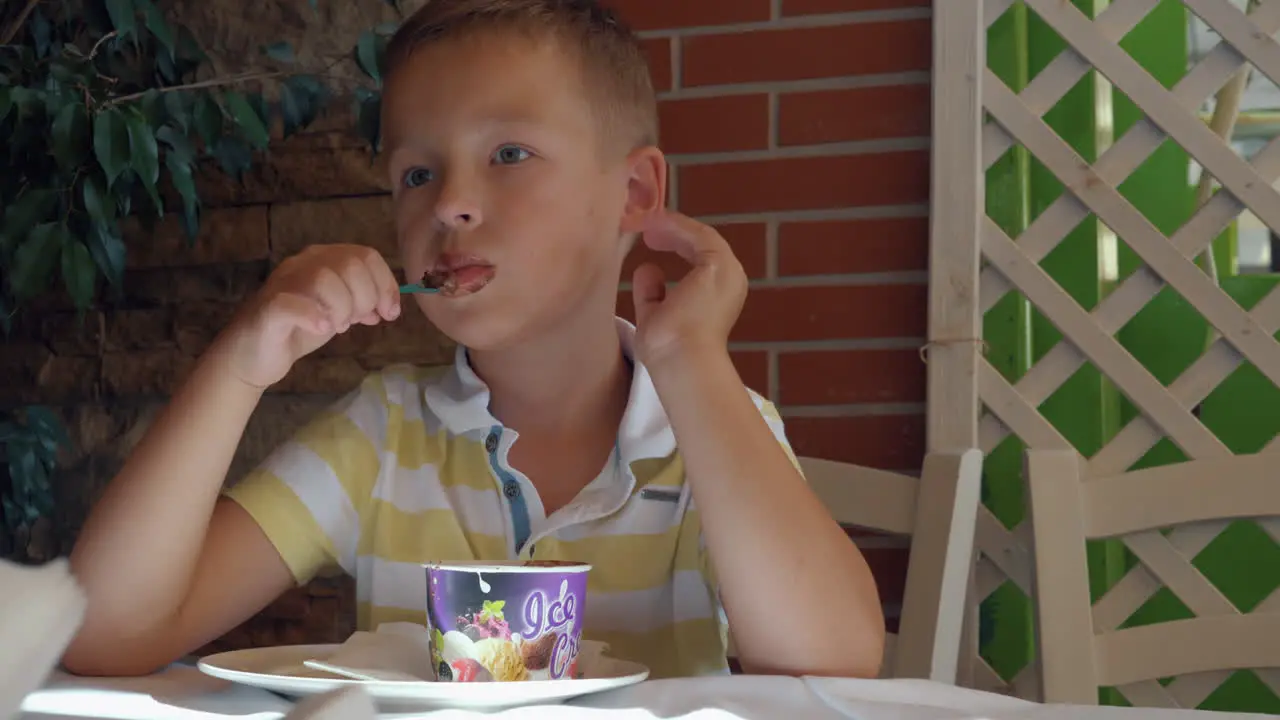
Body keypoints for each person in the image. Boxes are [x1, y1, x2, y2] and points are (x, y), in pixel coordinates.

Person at [63, 0, 885, 680]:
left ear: (633, 192)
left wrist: (691, 362)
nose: (450, 202)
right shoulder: (378, 439)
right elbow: (103, 637)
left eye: (509, 153)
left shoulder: (712, 429)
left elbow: (836, 658)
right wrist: (237, 366)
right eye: (417, 173)